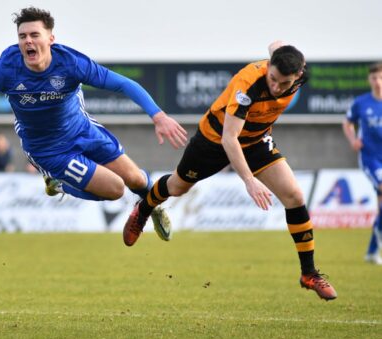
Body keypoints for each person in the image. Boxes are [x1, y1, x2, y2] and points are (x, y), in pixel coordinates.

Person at [0, 7, 187, 241]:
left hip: (83, 131)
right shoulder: (6, 69)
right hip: (49, 150)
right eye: (22, 36)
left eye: (34, 34)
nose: (28, 41)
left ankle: (148, 206)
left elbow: (122, 83)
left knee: (136, 180)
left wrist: (157, 115)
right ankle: (59, 183)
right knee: (116, 189)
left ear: (50, 39)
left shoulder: (70, 63)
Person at [122, 41, 337, 301]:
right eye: (273, 79)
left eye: (284, 83)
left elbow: (276, 45)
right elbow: (229, 139)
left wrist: (277, 51)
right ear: (267, 69)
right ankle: (144, 208)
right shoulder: (248, 85)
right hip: (215, 139)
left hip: (256, 140)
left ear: (299, 74)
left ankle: (309, 273)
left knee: (294, 196)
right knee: (178, 187)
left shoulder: (298, 73)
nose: (277, 87)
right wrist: (249, 180)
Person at [342, 62, 382, 265]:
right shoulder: (361, 103)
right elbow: (347, 122)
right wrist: (352, 140)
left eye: (380, 77)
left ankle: (372, 251)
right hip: (370, 158)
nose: (378, 82)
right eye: (374, 78)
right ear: (369, 80)